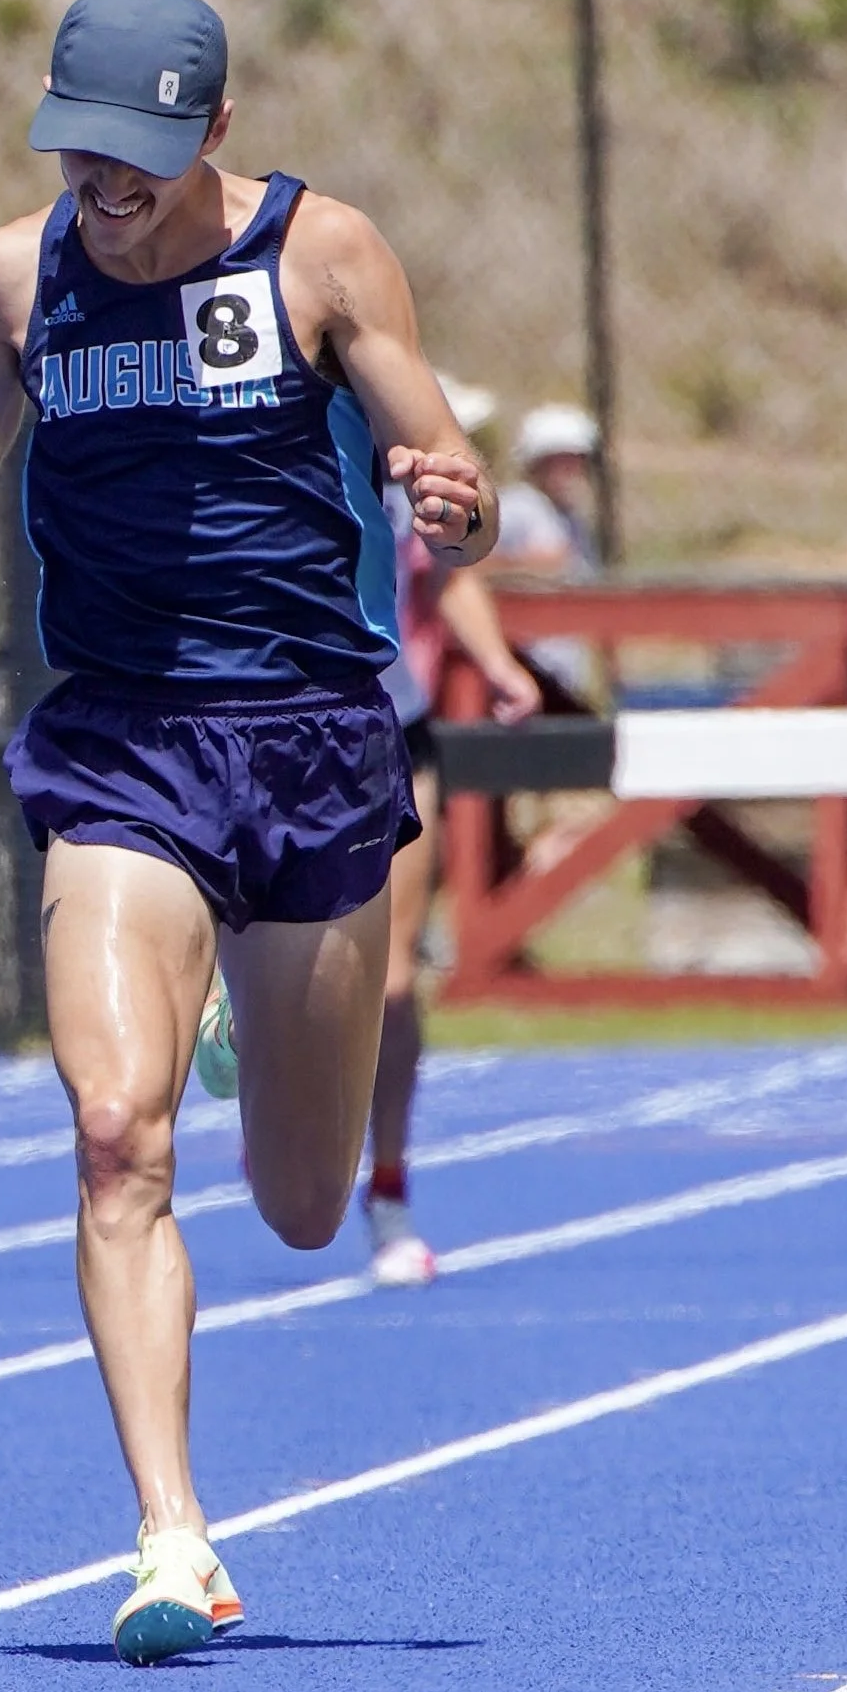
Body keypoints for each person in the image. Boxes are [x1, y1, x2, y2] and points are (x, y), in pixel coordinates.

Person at [0, 0, 499, 1665]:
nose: (104, 186)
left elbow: (451, 479)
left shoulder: (321, 254)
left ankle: (241, 1021)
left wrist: (453, 500)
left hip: (311, 740)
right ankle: (171, 1530)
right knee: (115, 1131)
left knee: (294, 1195)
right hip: (125, 742)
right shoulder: (14, 271)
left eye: (137, 156)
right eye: (80, 152)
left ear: (210, 129)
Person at [364, 383, 541, 1286]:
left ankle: (387, 1189)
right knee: (277, 964)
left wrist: (500, 667)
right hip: (275, 732)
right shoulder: (278, 439)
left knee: (394, 974)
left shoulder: (414, 480)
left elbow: (450, 572)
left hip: (395, 734)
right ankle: (275, 1082)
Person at [492, 402, 602, 706]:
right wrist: (529, 567)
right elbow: (467, 570)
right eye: (559, 461)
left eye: (576, 461)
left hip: (564, 667)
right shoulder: (517, 507)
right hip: (524, 663)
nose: (571, 471)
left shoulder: (571, 520)